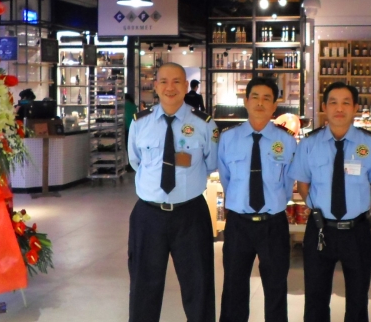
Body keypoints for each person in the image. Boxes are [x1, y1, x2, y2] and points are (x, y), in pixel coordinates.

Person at [289, 82, 371, 322]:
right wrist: (316, 209)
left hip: (357, 230)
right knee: (315, 297)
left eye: (346, 103)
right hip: (320, 229)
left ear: (355, 108)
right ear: (324, 107)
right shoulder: (310, 144)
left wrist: (363, 210)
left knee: (358, 298)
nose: (339, 108)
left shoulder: (370, 144)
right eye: (333, 102)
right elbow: (303, 184)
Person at [126, 63, 219, 322]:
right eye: (164, 81)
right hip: (148, 215)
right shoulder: (140, 123)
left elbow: (211, 163)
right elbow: (135, 161)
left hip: (191, 214)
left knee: (198, 285)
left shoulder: (204, 124)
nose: (170, 87)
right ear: (155, 86)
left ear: (186, 86)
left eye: (177, 81)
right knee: (143, 286)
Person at [218, 77, 297, 322]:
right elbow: (226, 179)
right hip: (238, 223)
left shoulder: (286, 141)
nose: (260, 103)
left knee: (276, 288)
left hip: (273, 223)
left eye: (266, 99)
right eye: (255, 97)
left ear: (275, 105)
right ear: (246, 101)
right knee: (234, 287)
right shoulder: (228, 139)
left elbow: (288, 183)